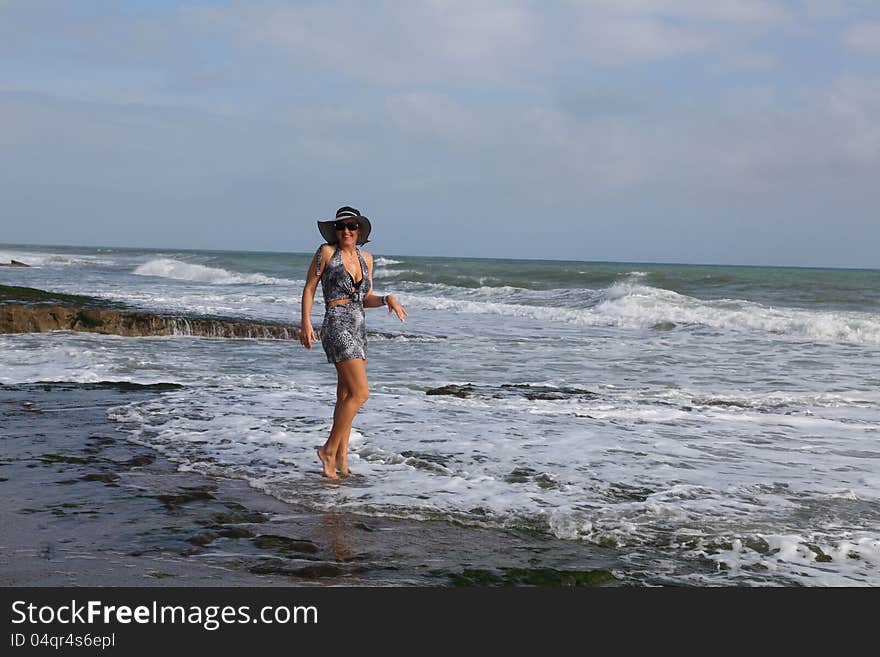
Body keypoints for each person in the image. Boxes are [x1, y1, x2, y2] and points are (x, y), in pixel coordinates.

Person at [300, 206, 407, 478]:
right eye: (341, 227)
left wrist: (386, 299)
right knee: (361, 394)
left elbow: (365, 299)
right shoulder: (326, 253)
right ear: (335, 231)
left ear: (359, 231)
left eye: (351, 226)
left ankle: (341, 459)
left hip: (359, 327)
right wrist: (306, 323)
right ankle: (327, 451)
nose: (346, 231)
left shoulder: (366, 259)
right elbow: (310, 288)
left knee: (346, 395)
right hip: (336, 323)